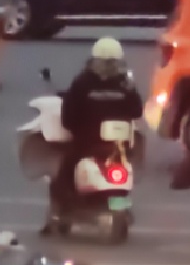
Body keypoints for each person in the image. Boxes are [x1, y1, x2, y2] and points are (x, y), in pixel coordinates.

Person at [51, 37, 144, 230]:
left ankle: (62, 211)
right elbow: (136, 111)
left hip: (87, 145)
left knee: (63, 175)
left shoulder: (82, 83)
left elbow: (68, 119)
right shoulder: (125, 84)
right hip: (120, 146)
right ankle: (121, 207)